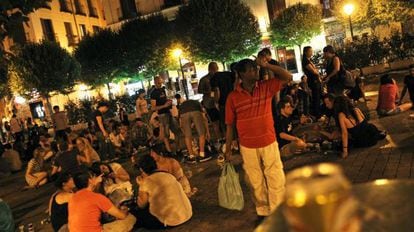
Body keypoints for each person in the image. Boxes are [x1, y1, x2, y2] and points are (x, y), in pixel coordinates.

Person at [225, 58, 292, 221]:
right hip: (247, 145)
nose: (256, 71)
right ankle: (263, 210)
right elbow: (229, 126)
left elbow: (287, 76)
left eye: (256, 68)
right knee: (255, 181)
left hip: (268, 140)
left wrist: (267, 65)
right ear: (241, 74)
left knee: (275, 176)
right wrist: (227, 150)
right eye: (251, 69)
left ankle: (277, 210)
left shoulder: (265, 87)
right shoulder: (233, 97)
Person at [134, 155, 192, 229]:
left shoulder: (146, 182)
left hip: (171, 222)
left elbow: (142, 204)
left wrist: (141, 185)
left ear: (142, 169)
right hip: (187, 214)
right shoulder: (168, 175)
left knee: (138, 215)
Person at [68, 170, 136, 232]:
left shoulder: (72, 197)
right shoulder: (96, 197)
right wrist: (125, 210)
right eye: (94, 176)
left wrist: (96, 184)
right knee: (130, 218)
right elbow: (122, 216)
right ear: (90, 180)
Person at [150, 76, 182, 153]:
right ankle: (169, 151)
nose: (160, 84)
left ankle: (178, 148)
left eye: (161, 82)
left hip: (168, 112)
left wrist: (169, 101)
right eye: (158, 82)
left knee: (177, 130)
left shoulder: (163, 90)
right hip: (162, 115)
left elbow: (165, 99)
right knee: (166, 134)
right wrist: (164, 106)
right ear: (155, 82)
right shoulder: (153, 93)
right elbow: (153, 108)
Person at [178, 97, 211, 163]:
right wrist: (207, 132)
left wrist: (187, 135)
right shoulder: (197, 103)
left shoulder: (181, 106)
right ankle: (202, 155)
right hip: (195, 111)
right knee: (201, 134)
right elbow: (204, 119)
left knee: (187, 137)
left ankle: (191, 156)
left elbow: (181, 125)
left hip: (183, 114)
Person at [198, 62, 221, 140]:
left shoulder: (218, 77)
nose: (216, 70)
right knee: (215, 122)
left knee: (221, 121)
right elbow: (199, 90)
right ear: (210, 69)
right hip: (210, 103)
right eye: (214, 69)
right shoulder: (204, 79)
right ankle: (219, 139)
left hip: (218, 101)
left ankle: (223, 138)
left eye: (216, 68)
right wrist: (209, 91)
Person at [302, 46, 322, 118]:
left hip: (315, 81)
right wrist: (316, 71)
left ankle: (318, 112)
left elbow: (315, 70)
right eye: (310, 51)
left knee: (318, 96)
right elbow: (313, 71)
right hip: (313, 81)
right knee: (316, 97)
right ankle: (317, 114)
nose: (312, 52)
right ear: (305, 52)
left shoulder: (309, 60)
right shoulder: (305, 61)